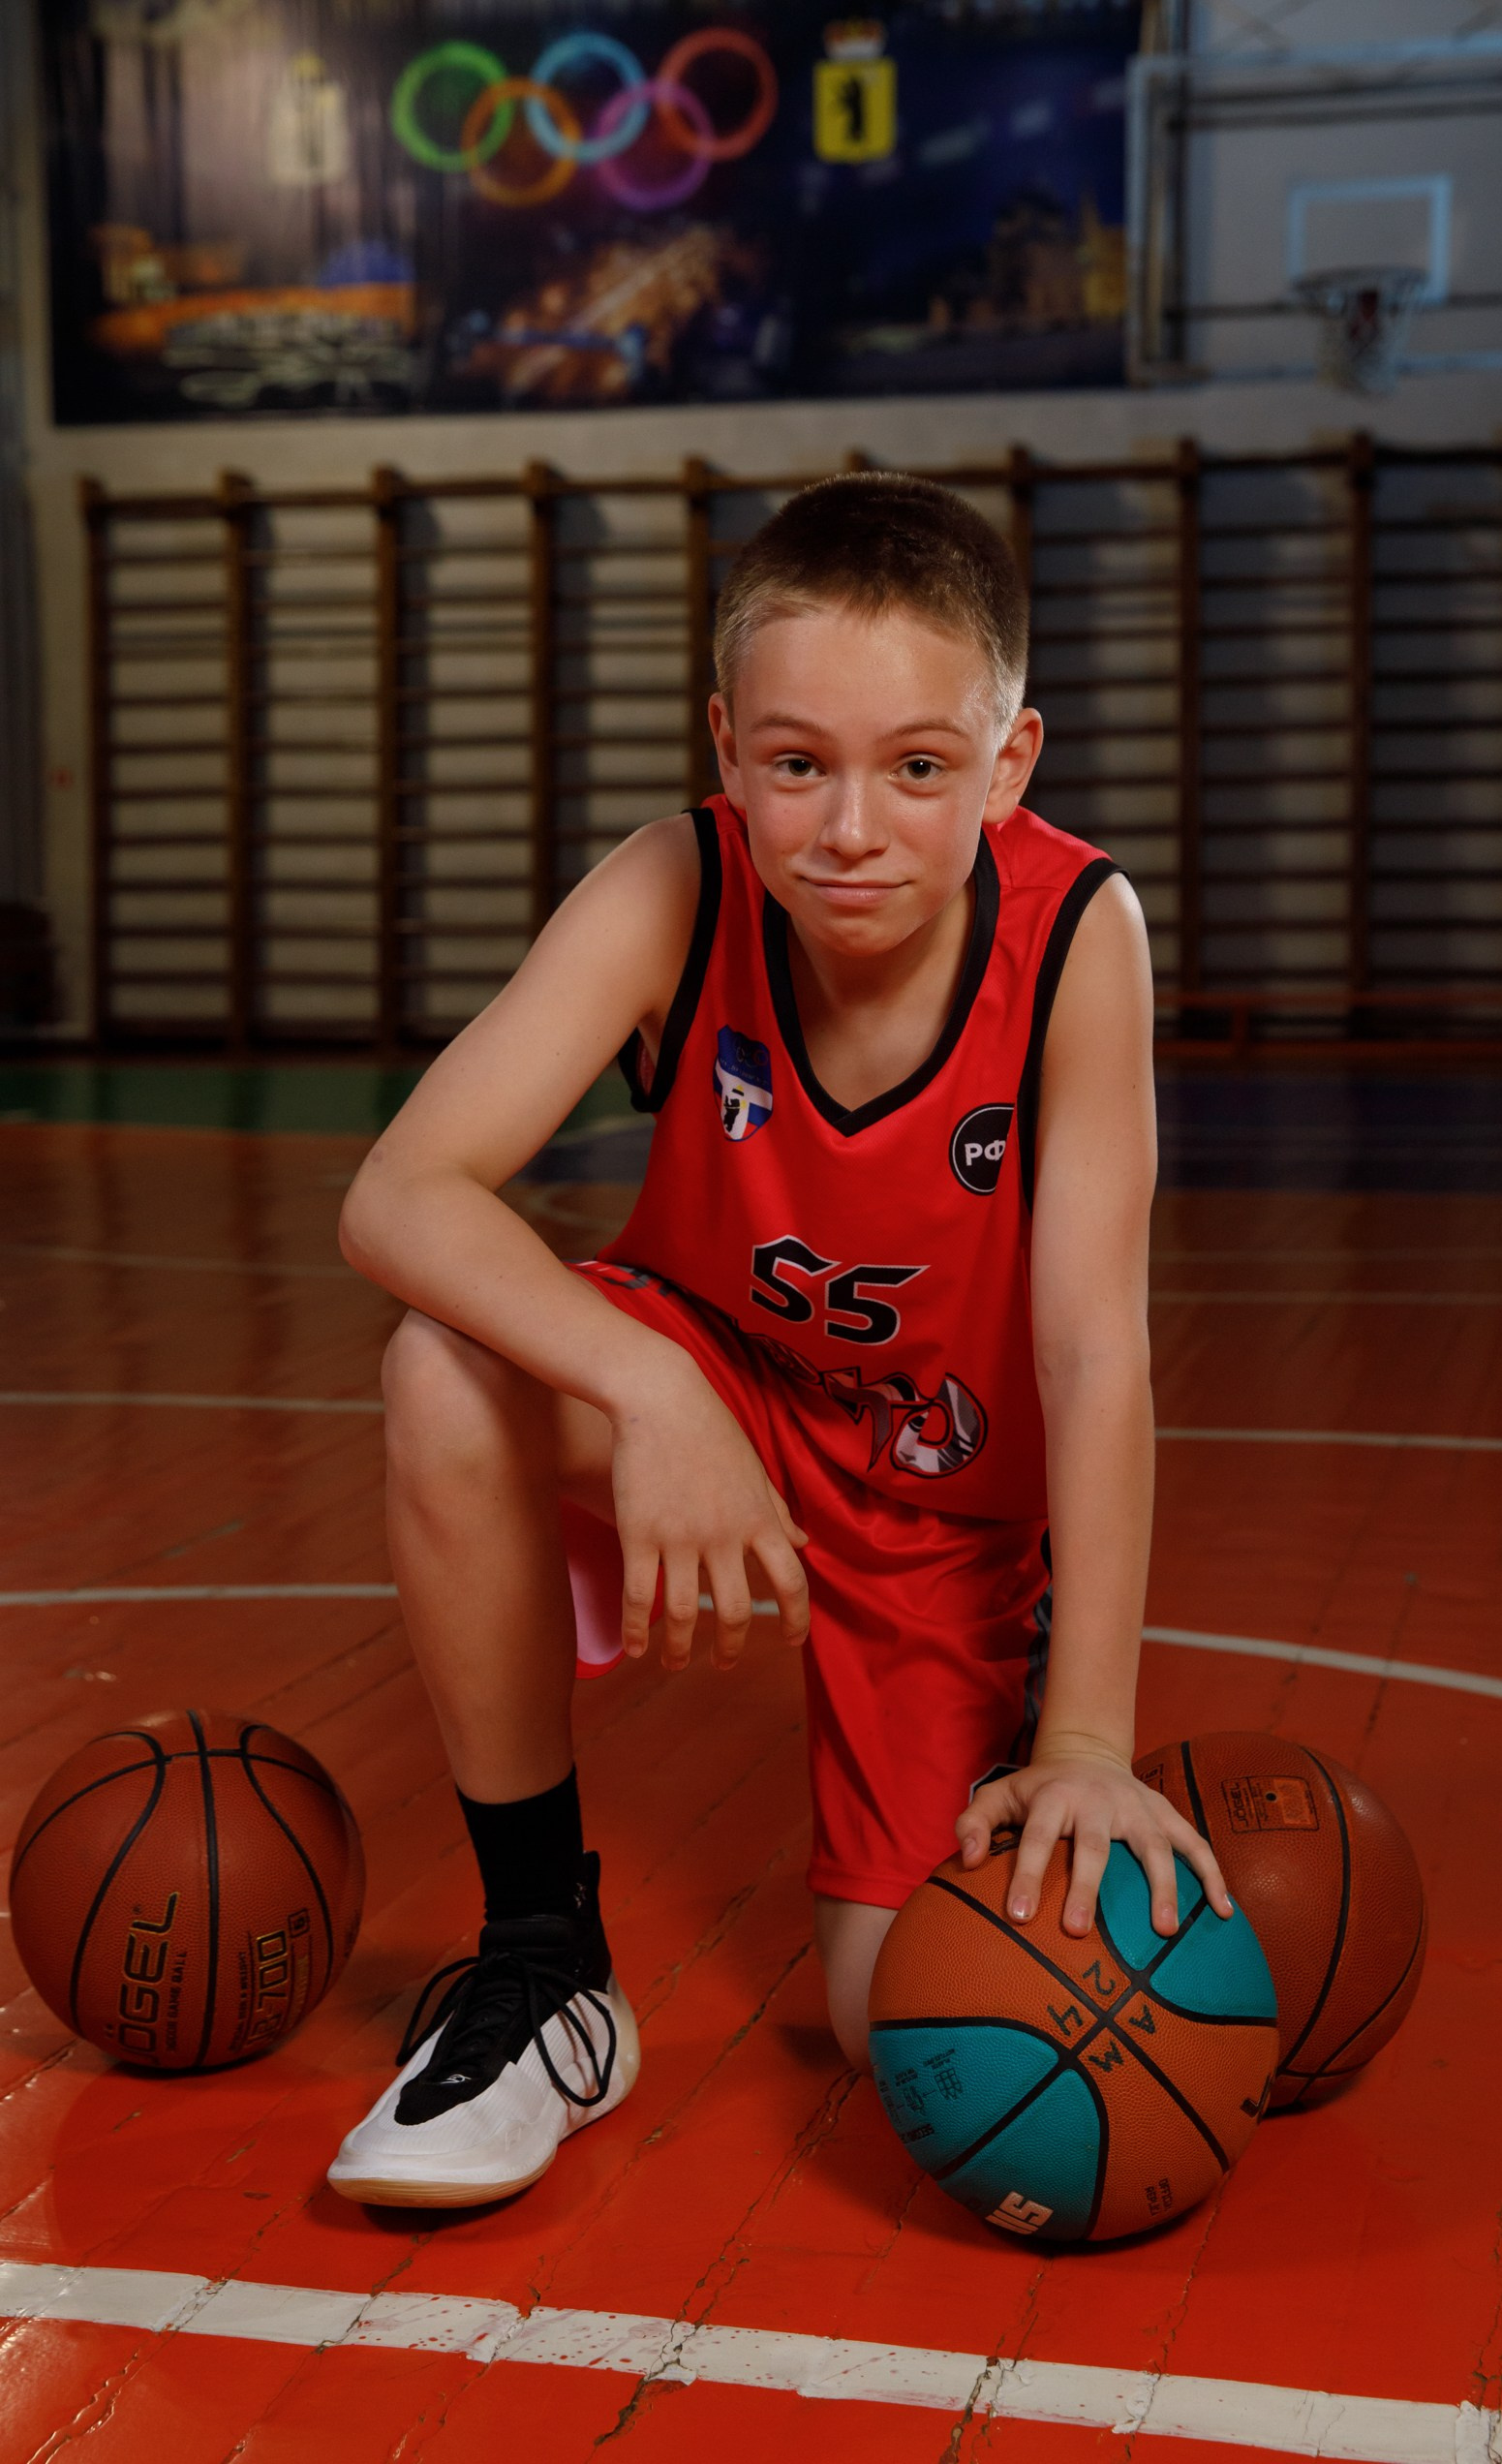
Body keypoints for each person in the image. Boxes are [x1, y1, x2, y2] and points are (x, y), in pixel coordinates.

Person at [326, 472, 1230, 2209]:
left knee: (906, 2024)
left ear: (1011, 765)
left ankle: (1038, 1746)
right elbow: (400, 1196)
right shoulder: (677, 880)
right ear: (728, 750)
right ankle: (545, 1965)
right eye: (799, 764)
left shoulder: (1076, 936)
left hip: (945, 1505)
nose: (851, 830)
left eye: (920, 768)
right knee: (443, 1367)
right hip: (726, 1389)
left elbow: (1093, 1360)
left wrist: (1089, 1744)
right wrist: (654, 1386)